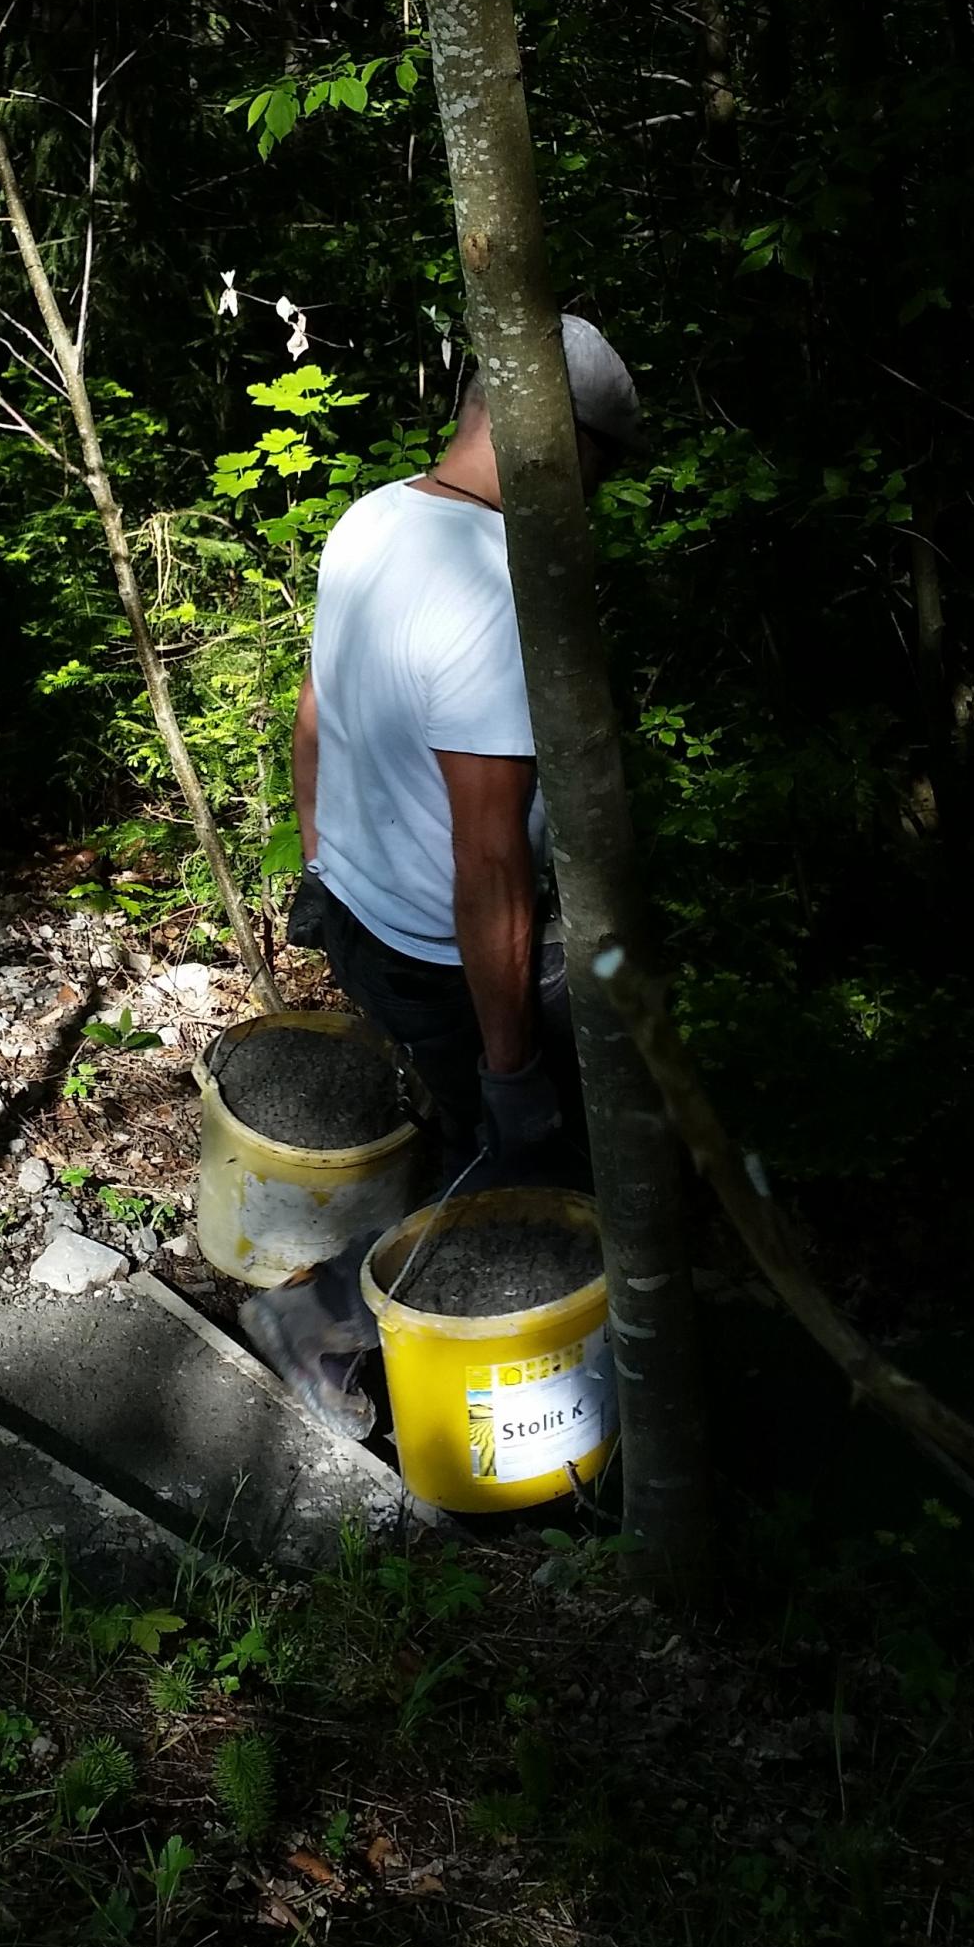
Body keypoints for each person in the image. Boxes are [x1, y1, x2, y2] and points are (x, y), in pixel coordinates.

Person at [241, 316, 645, 1431]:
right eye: (601, 468)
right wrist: (515, 1070)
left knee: (477, 1137)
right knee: (517, 1164)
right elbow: (492, 856)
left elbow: (313, 713)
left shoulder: (375, 517)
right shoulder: (495, 586)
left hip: (363, 914)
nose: (594, 496)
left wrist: (321, 864)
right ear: (557, 440)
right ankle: (323, 1322)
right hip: (442, 953)